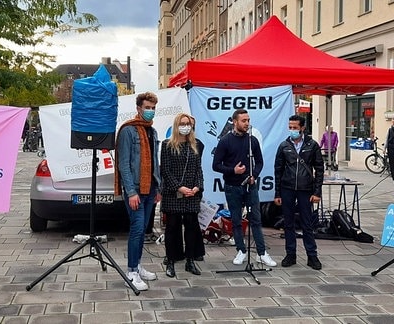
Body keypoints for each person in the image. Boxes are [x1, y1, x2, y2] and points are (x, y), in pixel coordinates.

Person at [212, 109, 277, 267]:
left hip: (250, 185)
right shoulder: (225, 141)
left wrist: (254, 174)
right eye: (243, 121)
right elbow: (216, 165)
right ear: (235, 122)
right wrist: (232, 170)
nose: (247, 123)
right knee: (236, 220)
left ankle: (261, 253)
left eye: (248, 120)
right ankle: (241, 250)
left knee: (256, 219)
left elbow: (260, 162)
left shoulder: (252, 140)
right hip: (232, 186)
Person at [114, 91, 161, 291]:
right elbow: (123, 163)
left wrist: (158, 188)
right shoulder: (128, 130)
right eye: (147, 108)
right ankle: (131, 271)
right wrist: (131, 192)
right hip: (135, 189)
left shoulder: (153, 131)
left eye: (153, 108)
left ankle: (138, 265)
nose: (150, 111)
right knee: (137, 229)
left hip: (150, 189)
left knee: (143, 231)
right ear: (138, 108)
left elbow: (155, 162)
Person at [274, 115, 324, 270]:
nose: (292, 130)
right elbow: (278, 170)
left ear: (302, 128)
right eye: (290, 127)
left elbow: (319, 170)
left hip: (305, 189)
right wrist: (277, 193)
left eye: (295, 127)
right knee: (288, 223)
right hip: (287, 188)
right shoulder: (284, 146)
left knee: (307, 223)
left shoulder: (312, 145)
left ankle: (312, 255)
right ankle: (290, 254)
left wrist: (317, 192)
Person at [160, 113, 205, 277]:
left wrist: (197, 186)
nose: (186, 126)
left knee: (191, 227)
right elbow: (165, 170)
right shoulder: (167, 145)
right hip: (174, 194)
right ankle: (171, 260)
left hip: (191, 195)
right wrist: (179, 187)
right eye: (183, 123)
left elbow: (198, 169)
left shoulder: (195, 145)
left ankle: (190, 261)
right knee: (172, 228)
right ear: (177, 125)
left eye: (188, 124)